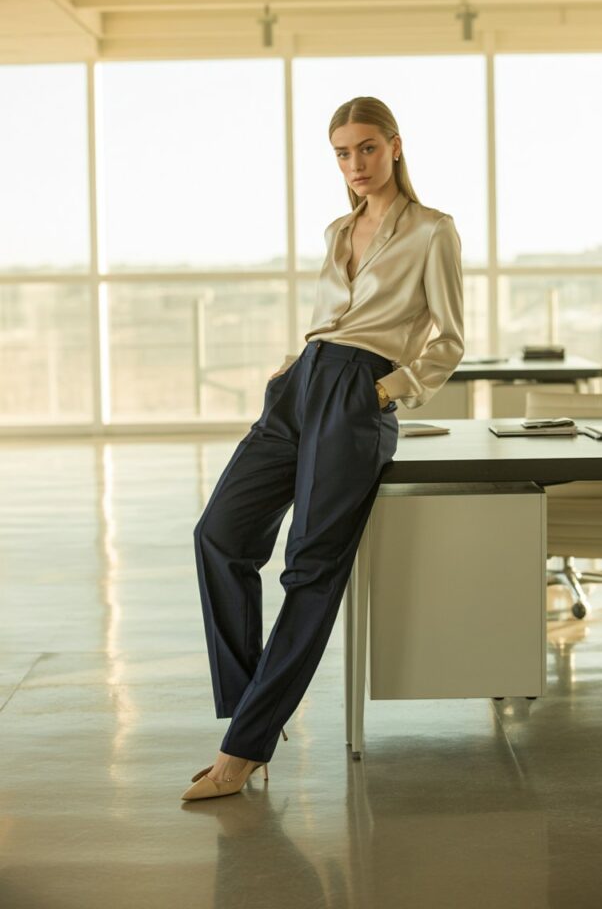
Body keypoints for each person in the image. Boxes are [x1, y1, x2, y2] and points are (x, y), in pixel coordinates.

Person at [182, 95, 465, 801]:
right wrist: (291, 364)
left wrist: (385, 391)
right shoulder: (339, 229)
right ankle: (253, 717)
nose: (355, 163)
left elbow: (450, 341)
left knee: (309, 567)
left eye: (367, 147)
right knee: (219, 534)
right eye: (342, 152)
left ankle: (242, 751)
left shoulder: (433, 230)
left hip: (356, 392)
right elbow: (328, 318)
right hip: (302, 384)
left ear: (395, 146)